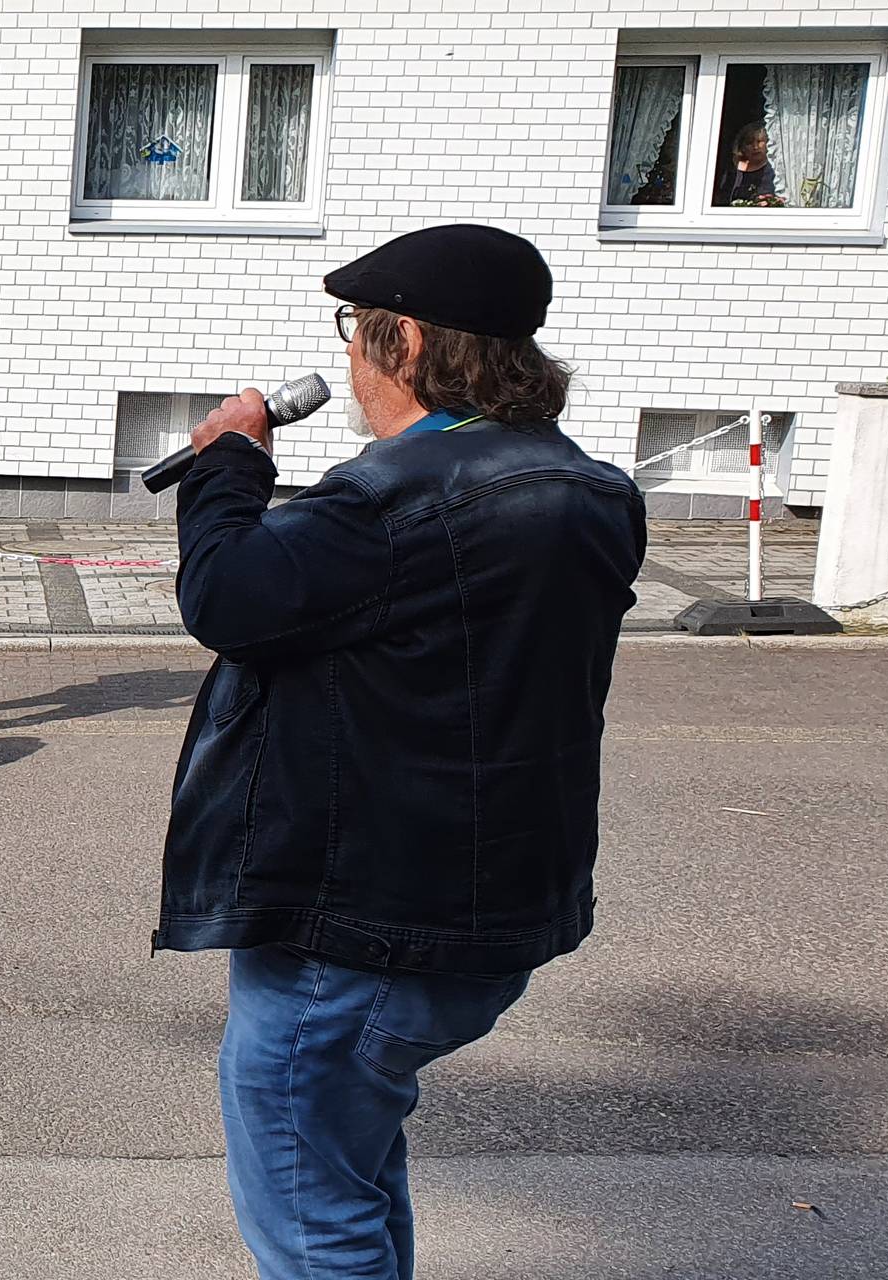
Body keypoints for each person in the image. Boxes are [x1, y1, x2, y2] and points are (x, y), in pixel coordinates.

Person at [161, 224, 645, 1280]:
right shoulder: (592, 491)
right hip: (489, 911)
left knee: (311, 1211)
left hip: (359, 930)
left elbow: (229, 596)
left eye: (353, 333)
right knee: (351, 1170)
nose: (346, 356)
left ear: (407, 344)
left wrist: (230, 458)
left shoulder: (391, 500)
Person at [716, 123, 780, 206]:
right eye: (749, 143)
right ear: (742, 147)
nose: (755, 147)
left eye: (759, 141)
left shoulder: (774, 170)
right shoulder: (732, 172)